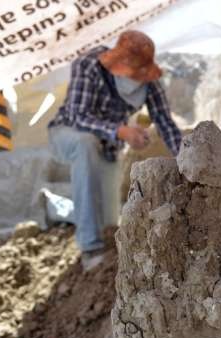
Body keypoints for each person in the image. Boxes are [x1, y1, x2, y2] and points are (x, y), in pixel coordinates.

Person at [48, 30, 182, 270]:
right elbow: (78, 117)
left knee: (109, 224)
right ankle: (89, 248)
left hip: (108, 147)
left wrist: (184, 159)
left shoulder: (149, 80)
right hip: (67, 133)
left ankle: (97, 243)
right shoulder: (88, 66)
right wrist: (122, 131)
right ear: (117, 66)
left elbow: (165, 121)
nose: (138, 80)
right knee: (85, 143)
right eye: (133, 74)